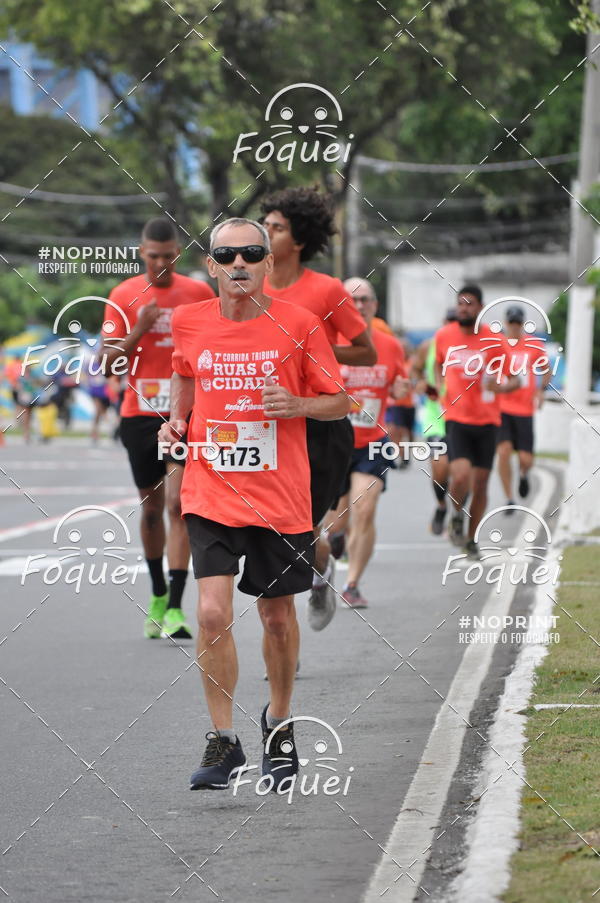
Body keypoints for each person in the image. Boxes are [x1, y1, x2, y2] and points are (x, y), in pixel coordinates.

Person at [158, 217, 349, 790]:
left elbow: (339, 401)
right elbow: (184, 375)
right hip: (210, 489)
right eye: (226, 254)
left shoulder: (299, 324)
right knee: (212, 614)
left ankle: (280, 723)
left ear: (268, 264)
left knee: (275, 618)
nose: (239, 263)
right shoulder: (190, 321)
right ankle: (223, 741)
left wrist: (296, 404)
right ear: (211, 265)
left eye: (251, 254)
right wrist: (176, 421)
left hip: (280, 499)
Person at [261, 187, 375, 631]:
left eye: (276, 227)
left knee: (299, 529)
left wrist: (318, 351)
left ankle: (317, 566)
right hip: (270, 426)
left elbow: (365, 352)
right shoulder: (251, 288)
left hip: (322, 424)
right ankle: (309, 584)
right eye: (265, 225)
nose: (266, 233)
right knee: (279, 532)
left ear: (299, 239)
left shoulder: (326, 291)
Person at [101, 217, 214, 639]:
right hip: (139, 412)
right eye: (153, 257)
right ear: (141, 252)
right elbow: (108, 362)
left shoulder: (200, 292)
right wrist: (140, 329)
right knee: (151, 508)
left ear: (178, 254)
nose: (161, 264)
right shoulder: (124, 295)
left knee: (177, 504)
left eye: (168, 257)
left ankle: (177, 608)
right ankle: (157, 593)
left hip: (184, 412)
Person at [327, 278, 408, 608]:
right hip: (334, 442)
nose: (359, 306)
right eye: (352, 300)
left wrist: (402, 389)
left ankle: (352, 584)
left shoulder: (389, 346)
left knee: (366, 508)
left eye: (365, 300)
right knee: (336, 521)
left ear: (375, 306)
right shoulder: (329, 342)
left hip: (372, 442)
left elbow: (400, 382)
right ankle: (335, 537)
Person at [435, 285, 520, 560]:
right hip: (457, 417)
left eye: (469, 304)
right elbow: (438, 364)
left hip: (487, 420)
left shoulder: (494, 341)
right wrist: (441, 388)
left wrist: (502, 388)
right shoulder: (445, 335)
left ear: (480, 307)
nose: (463, 308)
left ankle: (471, 539)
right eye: (460, 304)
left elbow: (514, 377)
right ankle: (457, 513)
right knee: (460, 475)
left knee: (481, 484)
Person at [497, 304, 550, 511]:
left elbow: (546, 370)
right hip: (502, 407)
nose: (515, 326)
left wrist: (541, 391)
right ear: (505, 323)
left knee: (526, 459)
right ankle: (509, 498)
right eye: (511, 322)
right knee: (503, 451)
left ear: (523, 324)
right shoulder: (498, 345)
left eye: (518, 323)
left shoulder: (534, 345)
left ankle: (523, 474)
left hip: (525, 409)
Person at [410, 308, 457, 535]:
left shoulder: (472, 350)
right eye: (448, 321)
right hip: (435, 417)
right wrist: (419, 383)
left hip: (464, 416)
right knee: (440, 466)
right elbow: (416, 370)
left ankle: (458, 514)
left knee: (461, 471)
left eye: (455, 322)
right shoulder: (429, 346)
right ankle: (440, 505)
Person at [385, 331, 416, 468]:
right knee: (397, 431)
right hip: (396, 403)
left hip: (410, 404)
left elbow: (415, 379)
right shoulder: (396, 362)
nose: (403, 351)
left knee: (408, 432)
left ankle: (406, 454)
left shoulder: (413, 363)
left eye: (406, 348)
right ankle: (402, 456)